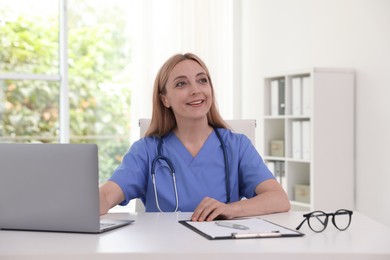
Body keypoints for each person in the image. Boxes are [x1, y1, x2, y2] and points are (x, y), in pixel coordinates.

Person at [99, 53, 290, 221]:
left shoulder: (237, 146)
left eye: (202, 80)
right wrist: (84, 200)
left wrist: (230, 209)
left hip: (220, 250)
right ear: (165, 99)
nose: (196, 90)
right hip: (164, 251)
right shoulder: (146, 151)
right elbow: (107, 196)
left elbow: (278, 199)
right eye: (181, 83)